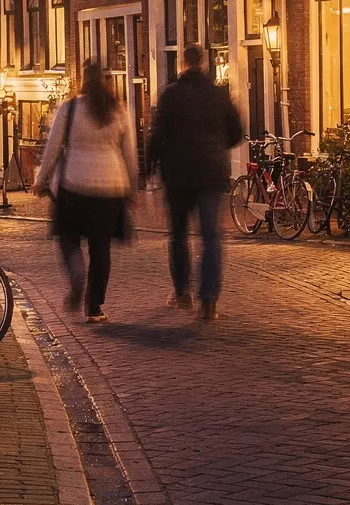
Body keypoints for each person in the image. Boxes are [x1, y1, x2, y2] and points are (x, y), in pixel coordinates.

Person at [145, 44, 245, 321]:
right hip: (211, 174)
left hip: (178, 174)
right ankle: (209, 300)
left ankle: (182, 293)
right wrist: (215, 147)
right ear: (202, 63)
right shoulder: (218, 95)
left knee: (178, 235)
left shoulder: (170, 96)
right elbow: (237, 133)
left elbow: (156, 136)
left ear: (182, 63)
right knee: (211, 236)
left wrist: (150, 169)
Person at [35, 62, 138, 323]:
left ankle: (76, 274)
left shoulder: (70, 108)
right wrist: (132, 186)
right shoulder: (118, 110)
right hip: (111, 186)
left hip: (75, 184)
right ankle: (94, 307)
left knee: (68, 238)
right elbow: (130, 152)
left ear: (83, 79)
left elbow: (54, 147)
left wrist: (41, 178)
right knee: (101, 249)